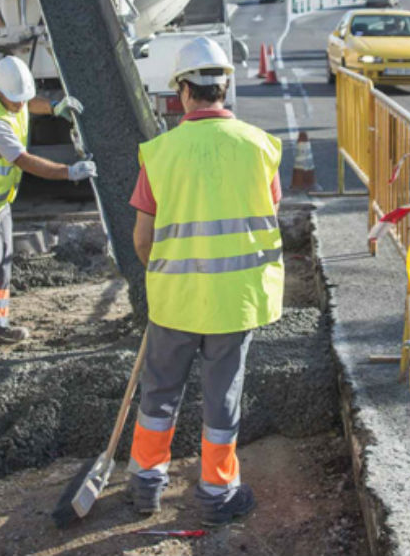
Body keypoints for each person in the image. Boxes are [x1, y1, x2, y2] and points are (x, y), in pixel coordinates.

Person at [126, 36, 284, 526]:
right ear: (225, 87)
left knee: (159, 394)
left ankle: (146, 486)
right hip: (234, 302)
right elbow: (268, 212)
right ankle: (216, 493)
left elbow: (142, 238)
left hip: (175, 300)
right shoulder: (260, 147)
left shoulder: (160, 153)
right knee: (222, 397)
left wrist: (168, 271)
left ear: (183, 92)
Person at [0, 56, 97, 349]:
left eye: (22, 99)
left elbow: (30, 102)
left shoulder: (11, 99)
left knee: (2, 260)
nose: (20, 105)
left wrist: (54, 107)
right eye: (15, 100)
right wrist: (69, 172)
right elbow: (24, 161)